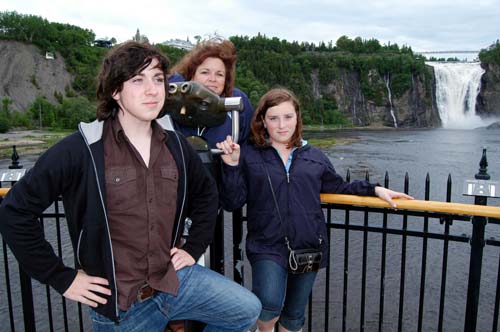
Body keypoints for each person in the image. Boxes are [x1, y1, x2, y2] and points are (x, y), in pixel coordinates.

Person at [0, 41, 260, 332]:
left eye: (158, 79)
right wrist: (61, 277)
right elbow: (14, 211)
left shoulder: (174, 145)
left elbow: (207, 194)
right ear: (115, 91)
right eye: (138, 79)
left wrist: (194, 246)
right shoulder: (83, 148)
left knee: (246, 310)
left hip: (172, 283)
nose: (152, 90)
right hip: (122, 311)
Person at [216, 88, 413, 332]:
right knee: (268, 305)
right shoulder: (249, 155)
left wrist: (375, 190)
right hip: (266, 245)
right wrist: (231, 166)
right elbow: (232, 202)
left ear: (297, 118)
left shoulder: (315, 156)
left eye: (288, 117)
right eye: (274, 118)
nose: (281, 125)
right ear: (263, 122)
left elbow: (340, 187)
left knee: (294, 315)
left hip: (309, 245)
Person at [169, 38, 254, 148]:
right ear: (191, 76)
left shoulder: (237, 104)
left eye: (219, 74)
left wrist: (233, 162)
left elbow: (250, 147)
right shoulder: (172, 101)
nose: (212, 79)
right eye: (205, 72)